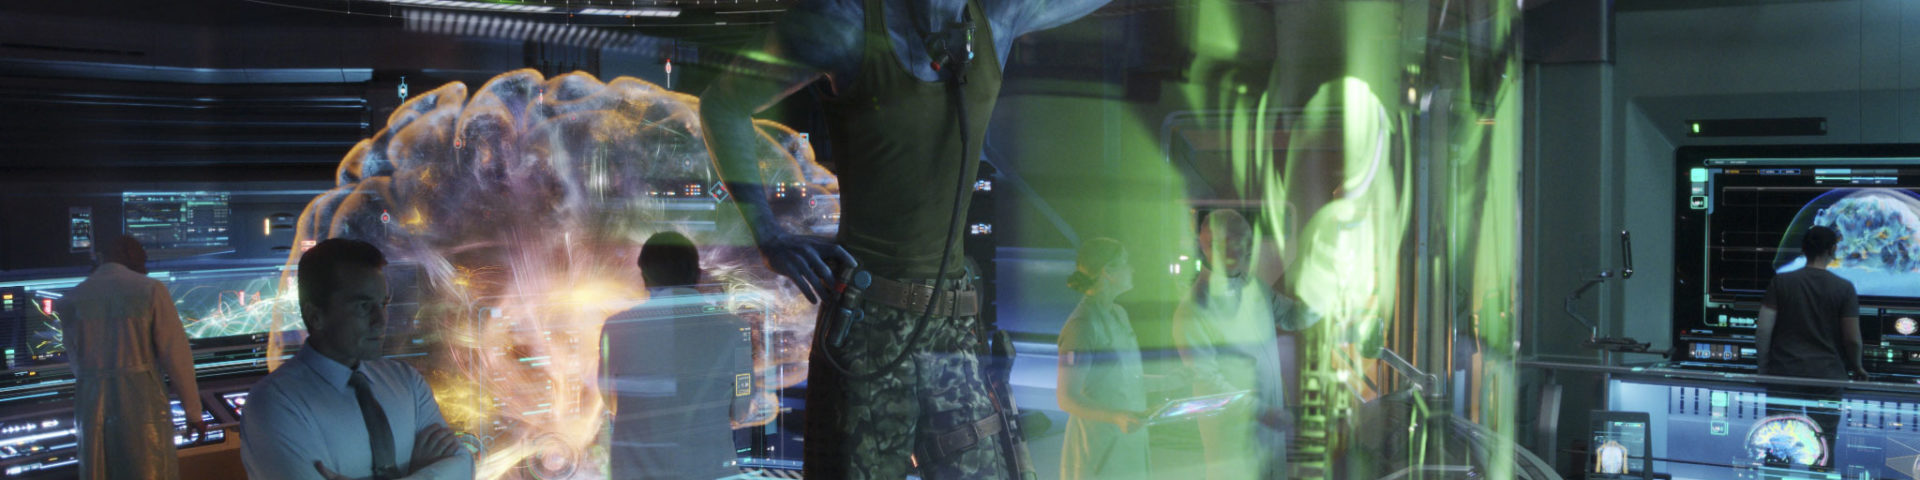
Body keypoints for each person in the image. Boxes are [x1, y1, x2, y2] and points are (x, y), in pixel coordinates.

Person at [697, 0, 1110, 477]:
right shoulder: (843, 24)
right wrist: (769, 236)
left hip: (952, 321)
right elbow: (723, 104)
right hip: (868, 321)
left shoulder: (995, 19)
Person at [241, 238, 473, 480]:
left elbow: (463, 466)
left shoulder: (406, 382)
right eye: (363, 306)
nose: (381, 320)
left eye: (383, 304)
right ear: (315, 316)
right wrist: (421, 472)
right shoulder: (274, 404)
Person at [1172, 210, 1316, 480]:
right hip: (1233, 436)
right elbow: (1207, 383)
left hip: (1270, 426)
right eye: (1239, 243)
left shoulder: (1253, 286)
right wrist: (1262, 412)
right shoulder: (1193, 309)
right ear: (1212, 246)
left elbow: (1292, 316)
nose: (1248, 251)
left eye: (1248, 243)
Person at [602, 231, 752, 479]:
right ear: (698, 274)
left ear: (645, 277)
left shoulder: (615, 327)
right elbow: (740, 411)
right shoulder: (735, 329)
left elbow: (611, 402)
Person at [56, 234, 208, 480]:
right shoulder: (150, 290)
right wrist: (194, 413)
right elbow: (176, 355)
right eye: (142, 259)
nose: (146, 268)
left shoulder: (71, 299)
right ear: (128, 255)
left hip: (90, 404)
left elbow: (76, 363)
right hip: (142, 403)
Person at [1754, 225, 1861, 472]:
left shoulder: (1781, 282)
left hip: (1784, 376)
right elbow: (1852, 339)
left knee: (1778, 445)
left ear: (1803, 249)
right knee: (1823, 446)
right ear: (1832, 250)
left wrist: (1763, 367)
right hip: (1827, 378)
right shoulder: (1844, 288)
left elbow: (1763, 330)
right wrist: (1857, 368)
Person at [1055, 238, 1149, 480]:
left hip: (1128, 442)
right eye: (1126, 263)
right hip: (1098, 448)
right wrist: (1116, 416)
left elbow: (1126, 378)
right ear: (1108, 271)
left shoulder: (1119, 314)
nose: (1132, 269)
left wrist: (1174, 379)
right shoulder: (1081, 326)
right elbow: (1066, 397)